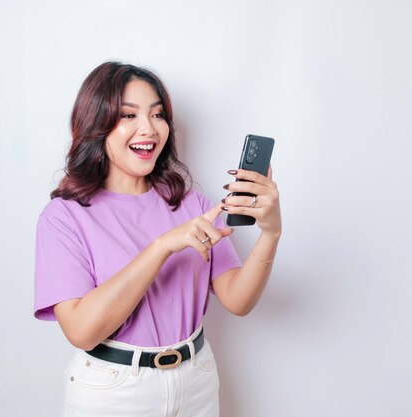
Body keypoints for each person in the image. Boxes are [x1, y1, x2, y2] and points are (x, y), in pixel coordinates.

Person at [33, 61, 281, 417]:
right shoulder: (64, 216)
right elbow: (82, 331)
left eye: (158, 114)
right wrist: (163, 246)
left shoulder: (191, 203)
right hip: (114, 391)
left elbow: (238, 300)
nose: (148, 129)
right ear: (96, 124)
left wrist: (271, 233)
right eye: (128, 116)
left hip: (196, 379)